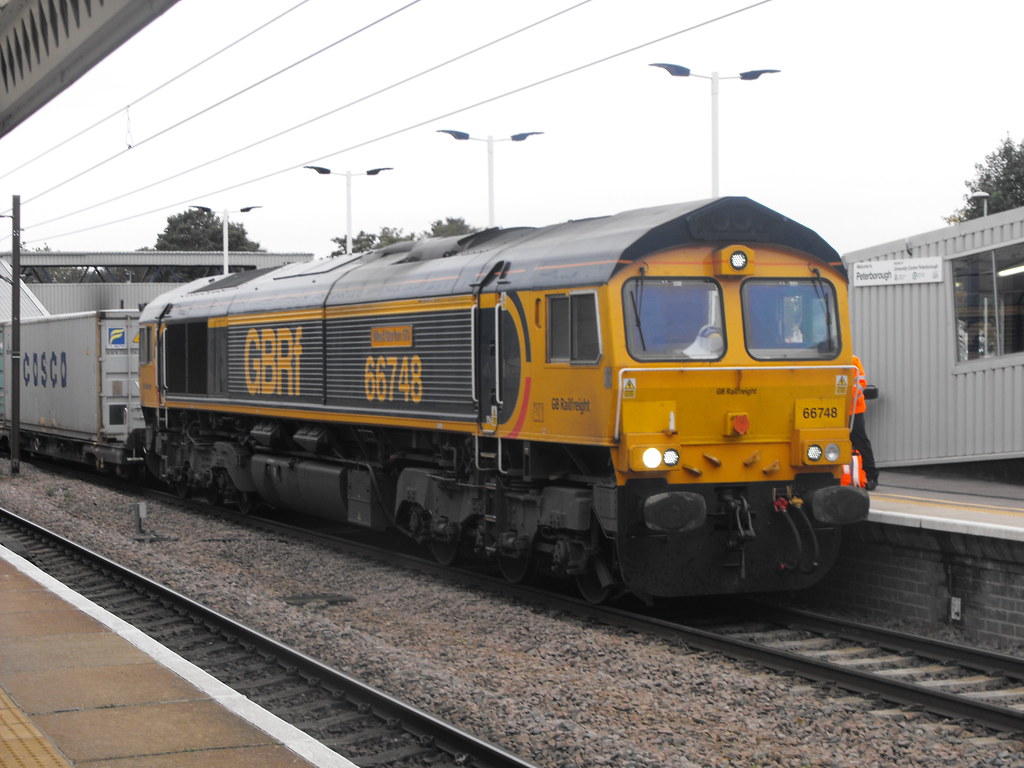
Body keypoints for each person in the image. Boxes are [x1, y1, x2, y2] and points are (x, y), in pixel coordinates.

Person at [850, 354, 879, 490]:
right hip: (832, 408)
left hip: (853, 408)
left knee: (860, 441)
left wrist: (843, 397)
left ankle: (870, 476)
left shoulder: (853, 360)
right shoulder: (822, 361)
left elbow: (861, 383)